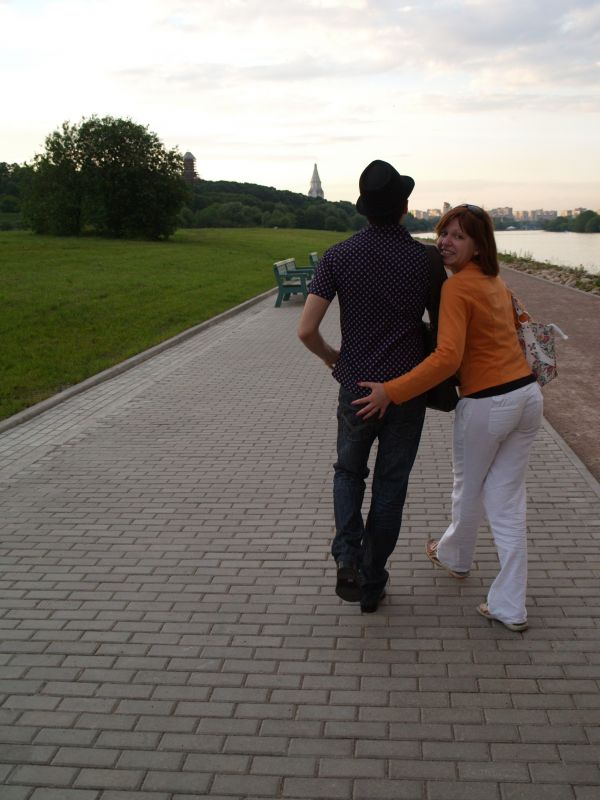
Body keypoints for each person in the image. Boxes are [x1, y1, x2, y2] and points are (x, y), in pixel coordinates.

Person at [353, 204, 543, 631]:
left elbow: (446, 359)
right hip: (527, 397)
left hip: (490, 403)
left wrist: (391, 391)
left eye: (458, 236)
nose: (445, 242)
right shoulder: (494, 280)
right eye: (443, 232)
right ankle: (492, 589)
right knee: (507, 500)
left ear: (479, 245)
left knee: (471, 488)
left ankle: (464, 565)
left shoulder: (456, 288)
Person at [297, 159, 443, 613]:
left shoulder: (338, 256)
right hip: (407, 389)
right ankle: (372, 580)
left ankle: (347, 556)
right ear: (404, 208)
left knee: (348, 473)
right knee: (390, 486)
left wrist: (333, 357)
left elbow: (305, 330)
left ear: (364, 209)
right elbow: (442, 331)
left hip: (356, 386)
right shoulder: (426, 260)